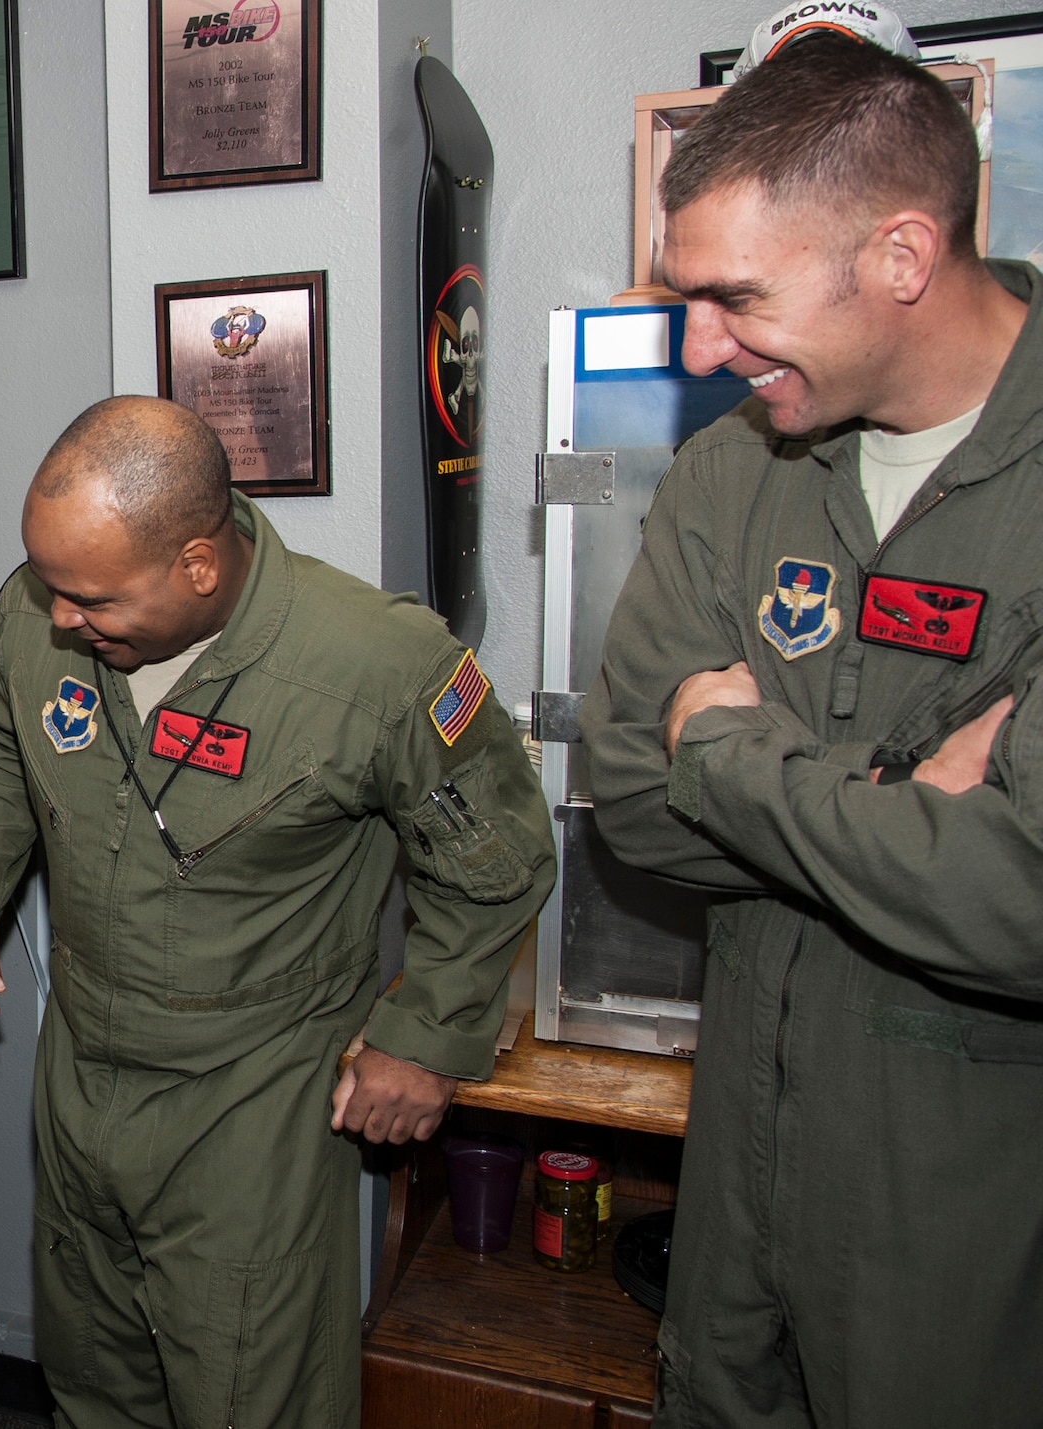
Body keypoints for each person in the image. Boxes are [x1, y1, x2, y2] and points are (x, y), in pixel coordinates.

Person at [0, 396, 555, 1429]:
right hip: (82, 1063)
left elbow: (495, 860)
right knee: (92, 1372)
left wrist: (423, 1041)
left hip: (254, 1087)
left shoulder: (377, 665)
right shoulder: (42, 611)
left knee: (250, 1392)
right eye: (47, 587)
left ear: (198, 566)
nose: (58, 618)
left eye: (89, 598)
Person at [581, 34, 1043, 1427]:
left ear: (903, 255)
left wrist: (733, 753)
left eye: (732, 297)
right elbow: (627, 792)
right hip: (737, 1186)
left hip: (965, 1221)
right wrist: (912, 800)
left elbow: (1015, 896)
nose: (696, 348)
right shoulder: (737, 467)